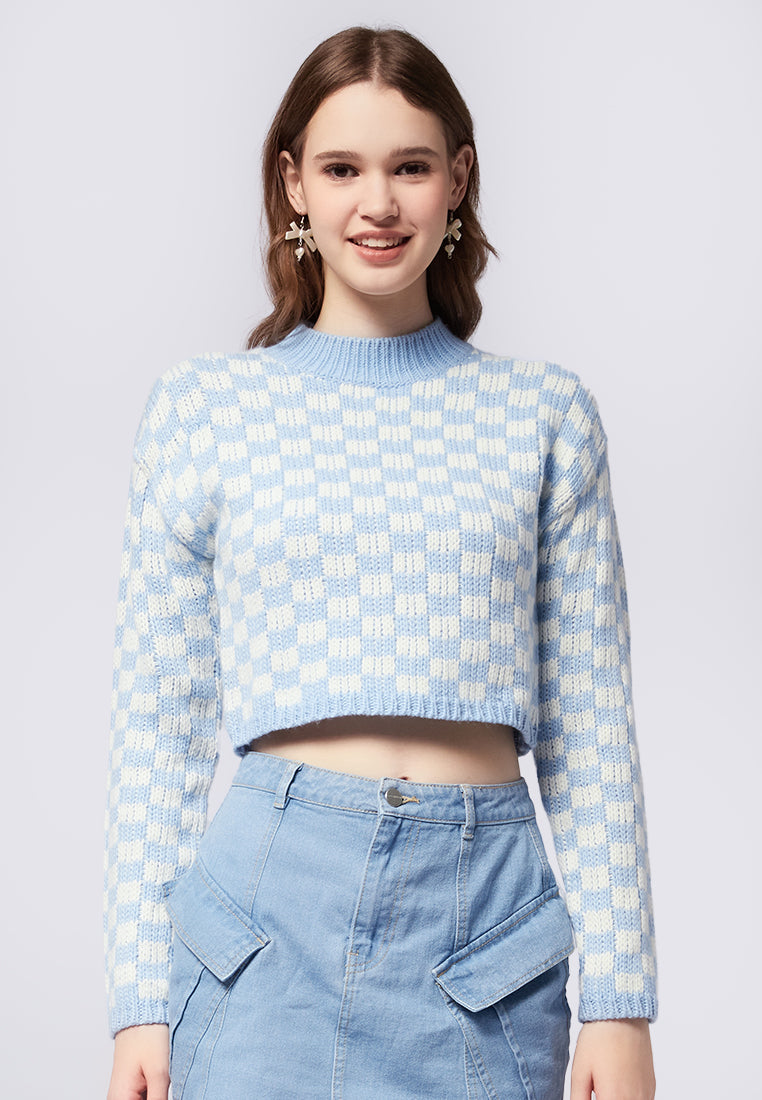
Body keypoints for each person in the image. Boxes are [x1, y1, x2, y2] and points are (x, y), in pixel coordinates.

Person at [105, 26, 657, 1100]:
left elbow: (592, 727)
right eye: (341, 168)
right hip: (257, 932)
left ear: (459, 178)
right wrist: (137, 998)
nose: (378, 202)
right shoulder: (205, 409)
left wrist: (620, 999)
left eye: (409, 166)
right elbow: (156, 728)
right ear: (292, 186)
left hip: (486, 942)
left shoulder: (543, 415)